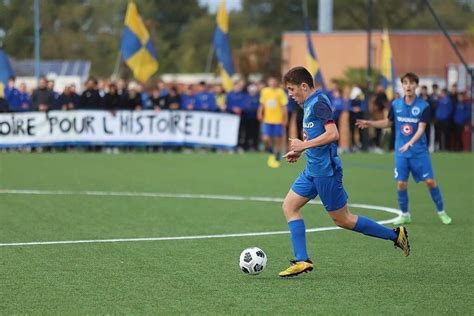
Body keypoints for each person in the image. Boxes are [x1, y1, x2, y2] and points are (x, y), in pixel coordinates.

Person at [279, 67, 410, 278]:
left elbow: (333, 134)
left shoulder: (319, 103)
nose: (290, 94)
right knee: (289, 206)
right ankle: (302, 260)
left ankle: (396, 236)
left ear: (304, 86)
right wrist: (301, 151)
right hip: (312, 170)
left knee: (343, 220)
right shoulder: (310, 103)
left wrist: (303, 146)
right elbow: (318, 136)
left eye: (292, 89)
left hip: (326, 172)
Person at [356, 72, 452, 225]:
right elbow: (388, 123)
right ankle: (405, 214)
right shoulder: (395, 104)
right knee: (401, 183)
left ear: (416, 85)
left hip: (419, 152)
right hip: (401, 153)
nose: (408, 85)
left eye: (411, 83)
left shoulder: (424, 106)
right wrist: (370, 123)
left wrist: (410, 143)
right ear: (402, 86)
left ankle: (442, 212)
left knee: (430, 182)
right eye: (405, 83)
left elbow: (421, 129)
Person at [257, 76, 288, 168]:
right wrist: (259, 113)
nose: (272, 83)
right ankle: (271, 151)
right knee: (265, 138)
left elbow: (284, 107)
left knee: (278, 139)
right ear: (268, 82)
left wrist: (285, 119)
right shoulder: (265, 91)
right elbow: (262, 104)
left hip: (278, 120)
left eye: (274, 81)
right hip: (267, 119)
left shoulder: (280, 92)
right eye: (271, 81)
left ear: (276, 82)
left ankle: (277, 154)